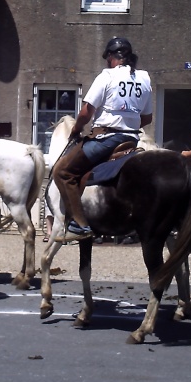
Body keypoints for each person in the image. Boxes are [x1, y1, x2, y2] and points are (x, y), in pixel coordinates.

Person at [52, 37, 153, 241]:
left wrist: (77, 129)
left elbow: (86, 112)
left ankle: (79, 225)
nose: (107, 62)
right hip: (132, 139)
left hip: (108, 139)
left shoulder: (106, 76)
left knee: (62, 171)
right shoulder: (144, 78)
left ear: (112, 58)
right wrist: (128, 126)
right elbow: (147, 118)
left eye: (107, 58)